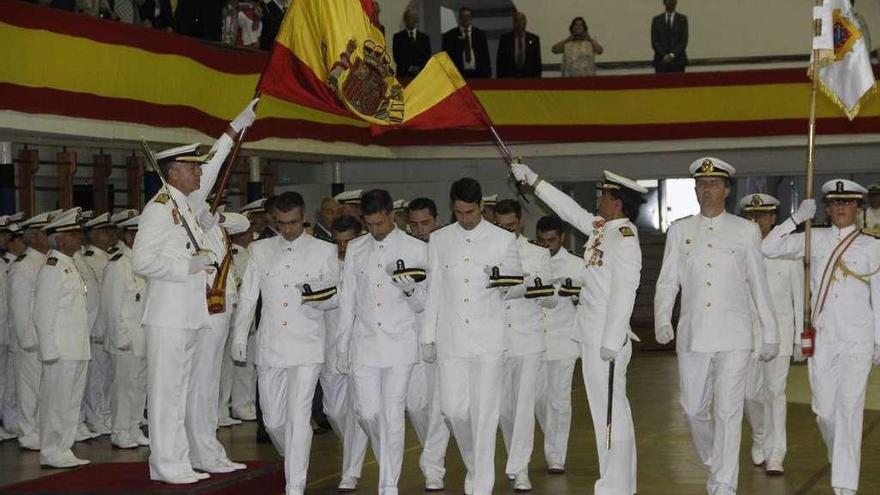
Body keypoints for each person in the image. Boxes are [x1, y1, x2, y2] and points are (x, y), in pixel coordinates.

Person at [132, 99, 257, 484]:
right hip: (168, 316)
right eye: (192, 168)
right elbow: (141, 261)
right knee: (167, 393)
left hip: (189, 315)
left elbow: (218, 163)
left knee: (183, 389)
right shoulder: (160, 208)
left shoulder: (185, 205)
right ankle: (166, 463)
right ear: (174, 172)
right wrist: (186, 266)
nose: (200, 173)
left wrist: (235, 129)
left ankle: (186, 457)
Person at [512, 164, 646, 495]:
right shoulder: (605, 230)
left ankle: (615, 486)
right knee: (608, 412)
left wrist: (613, 339)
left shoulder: (624, 238)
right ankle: (617, 483)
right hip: (591, 333)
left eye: (604, 196)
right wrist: (534, 180)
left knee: (611, 414)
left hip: (606, 339)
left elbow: (626, 289)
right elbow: (569, 210)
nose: (598, 200)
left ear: (617, 203)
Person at [654, 157, 779, 495]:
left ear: (726, 190)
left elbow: (758, 284)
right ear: (695, 190)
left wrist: (770, 332)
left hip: (735, 335)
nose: (706, 190)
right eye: (701, 185)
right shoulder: (680, 231)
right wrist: (663, 318)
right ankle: (715, 461)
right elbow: (668, 281)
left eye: (713, 184)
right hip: (694, 334)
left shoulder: (745, 230)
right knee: (693, 409)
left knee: (728, 412)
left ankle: (724, 482)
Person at [762, 180, 880, 495]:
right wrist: (796, 218)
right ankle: (838, 453)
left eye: (848, 203)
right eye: (835, 203)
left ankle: (844, 486)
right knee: (825, 412)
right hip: (824, 340)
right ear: (826, 209)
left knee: (849, 411)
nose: (841, 208)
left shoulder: (873, 245)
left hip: (857, 340)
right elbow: (768, 247)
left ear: (858, 208)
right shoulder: (814, 238)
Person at [231, 191, 340, 495]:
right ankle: (292, 456)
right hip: (270, 345)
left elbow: (336, 296)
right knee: (274, 420)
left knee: (297, 415)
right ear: (273, 220)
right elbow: (249, 295)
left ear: (303, 217)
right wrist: (240, 335)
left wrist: (318, 298)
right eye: (281, 224)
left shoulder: (323, 250)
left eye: (293, 223)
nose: (288, 229)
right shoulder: (260, 249)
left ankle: (295, 485)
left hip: (307, 345)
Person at [420, 178, 522, 495]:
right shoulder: (439, 239)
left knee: (485, 414)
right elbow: (434, 289)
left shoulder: (502, 240)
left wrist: (503, 282)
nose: (464, 218)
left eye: (470, 212)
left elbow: (517, 284)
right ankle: (475, 466)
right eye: (458, 212)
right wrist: (427, 336)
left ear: (481, 207)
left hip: (488, 340)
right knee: (453, 411)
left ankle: (481, 485)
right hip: (450, 338)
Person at [336, 189, 428, 495]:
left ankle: (389, 483)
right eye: (369, 224)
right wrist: (341, 346)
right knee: (367, 412)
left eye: (380, 223)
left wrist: (412, 291)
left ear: (391, 215)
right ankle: (387, 459)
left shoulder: (415, 248)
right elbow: (347, 299)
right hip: (364, 344)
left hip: (400, 343)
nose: (375, 230)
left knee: (392, 414)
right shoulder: (356, 248)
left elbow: (425, 304)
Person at [738, 193, 803, 475]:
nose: (757, 222)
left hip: (782, 333)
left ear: (773, 218)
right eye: (751, 217)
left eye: (762, 216)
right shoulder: (738, 252)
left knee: (776, 392)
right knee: (750, 393)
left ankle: (777, 452)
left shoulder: (789, 254)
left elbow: (799, 298)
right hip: (748, 334)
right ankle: (761, 437)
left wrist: (801, 336)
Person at [493, 199, 554, 492]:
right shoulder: (487, 249)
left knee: (523, 406)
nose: (506, 230)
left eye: (511, 225)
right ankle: (514, 461)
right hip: (495, 339)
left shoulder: (537, 253)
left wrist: (529, 288)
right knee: (504, 408)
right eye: (500, 226)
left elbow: (549, 296)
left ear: (521, 223)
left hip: (528, 338)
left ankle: (521, 468)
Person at [34, 209, 91, 468]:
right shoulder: (52, 269)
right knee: (55, 403)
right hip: (60, 350)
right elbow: (42, 313)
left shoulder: (71, 266)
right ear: (60, 239)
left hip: (77, 347)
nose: (79, 237)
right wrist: (48, 352)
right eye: (74, 233)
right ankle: (50, 450)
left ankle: (64, 448)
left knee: (70, 403)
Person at [403, 197, 450, 491]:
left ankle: (434, 465)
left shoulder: (448, 244)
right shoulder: (407, 251)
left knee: (447, 407)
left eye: (425, 223)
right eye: (415, 224)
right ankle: (433, 458)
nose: (420, 230)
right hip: (416, 338)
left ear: (437, 220)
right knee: (418, 404)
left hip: (452, 336)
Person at [534, 215, 585, 474]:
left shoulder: (577, 265)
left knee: (559, 400)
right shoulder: (530, 261)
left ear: (561, 238)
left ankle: (556, 455)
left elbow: (589, 299)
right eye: (542, 240)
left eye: (551, 240)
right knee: (538, 399)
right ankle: (552, 438)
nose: (546, 245)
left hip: (564, 341)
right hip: (535, 341)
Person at [322, 215, 369, 492]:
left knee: (360, 411)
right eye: (337, 242)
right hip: (331, 348)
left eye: (348, 242)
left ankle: (350, 471)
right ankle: (352, 452)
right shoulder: (324, 262)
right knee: (335, 411)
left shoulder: (366, 261)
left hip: (361, 347)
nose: (342, 248)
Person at [9, 210, 59, 451]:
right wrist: (28, 339)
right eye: (43, 233)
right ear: (31, 237)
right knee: (28, 389)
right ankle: (27, 432)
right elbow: (18, 307)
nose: (47, 237)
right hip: (29, 339)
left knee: (44, 387)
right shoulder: (24, 265)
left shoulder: (46, 261)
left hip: (45, 336)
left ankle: (40, 428)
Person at [102, 215, 150, 449]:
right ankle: (120, 430)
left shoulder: (144, 262)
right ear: (129, 235)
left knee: (140, 386)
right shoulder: (118, 264)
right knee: (124, 387)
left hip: (144, 338)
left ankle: (133, 426)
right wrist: (121, 338)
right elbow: (111, 306)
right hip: (127, 339)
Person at [77, 212, 118, 438]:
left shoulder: (109, 258)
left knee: (107, 376)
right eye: (106, 231)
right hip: (96, 327)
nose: (112, 234)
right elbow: (94, 300)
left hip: (106, 326)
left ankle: (104, 414)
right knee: (96, 377)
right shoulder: (92, 259)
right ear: (94, 235)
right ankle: (95, 417)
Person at [442, 7, 491, 79]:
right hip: (458, 75)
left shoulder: (480, 34)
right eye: (463, 16)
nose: (466, 19)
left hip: (478, 74)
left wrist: (488, 75)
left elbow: (485, 57)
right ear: (459, 19)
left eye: (468, 16)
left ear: (471, 18)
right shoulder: (450, 36)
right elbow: (446, 59)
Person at [497, 12, 542, 78]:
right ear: (513, 23)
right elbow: (500, 62)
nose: (519, 23)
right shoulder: (505, 39)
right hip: (509, 78)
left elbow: (537, 62)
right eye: (516, 20)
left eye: (521, 20)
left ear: (525, 22)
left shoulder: (534, 39)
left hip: (529, 78)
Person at [392, 8, 432, 78]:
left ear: (416, 20)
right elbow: (397, 56)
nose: (412, 20)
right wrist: (410, 68)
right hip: (403, 75)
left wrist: (419, 67)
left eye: (414, 18)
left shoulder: (424, 38)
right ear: (405, 19)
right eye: (410, 17)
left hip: (421, 75)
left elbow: (427, 56)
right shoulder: (398, 37)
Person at [651, 0, 688, 73]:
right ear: (664, 2)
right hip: (661, 61)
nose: (670, 2)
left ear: (676, 2)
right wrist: (664, 55)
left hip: (678, 62)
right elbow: (655, 41)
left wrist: (672, 55)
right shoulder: (656, 20)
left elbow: (683, 41)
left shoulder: (682, 19)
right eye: (668, 0)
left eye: (672, 0)